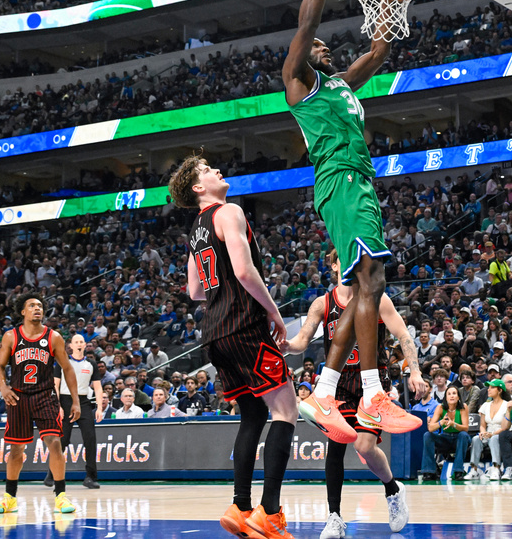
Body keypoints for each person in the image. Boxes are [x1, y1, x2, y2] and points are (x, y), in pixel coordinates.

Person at [283, 0, 419, 444]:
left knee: (362, 287)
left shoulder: (341, 81)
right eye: (316, 46)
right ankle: (370, 393)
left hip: (357, 184)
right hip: (340, 180)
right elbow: (307, 24)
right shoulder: (300, 81)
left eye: (322, 47)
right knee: (372, 278)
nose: (322, 46)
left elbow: (381, 48)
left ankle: (325, 389)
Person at [169, 154, 298, 539]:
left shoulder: (196, 230)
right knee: (286, 410)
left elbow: (194, 290)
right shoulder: (229, 212)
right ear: (197, 187)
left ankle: (241, 507)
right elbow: (243, 271)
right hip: (244, 324)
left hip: (214, 333)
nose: (217, 171)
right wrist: (274, 312)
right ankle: (269, 514)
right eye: (208, 169)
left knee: (253, 415)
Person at [282, 247, 426, 538]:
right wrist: (286, 345)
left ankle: (393, 489)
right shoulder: (322, 304)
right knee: (335, 446)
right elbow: (302, 339)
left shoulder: (377, 298)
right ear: (333, 266)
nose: (348, 264)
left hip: (372, 381)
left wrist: (416, 371)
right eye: (342, 260)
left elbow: (403, 335)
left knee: (363, 447)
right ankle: (334, 517)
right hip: (339, 383)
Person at [0, 293, 80, 515]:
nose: (37, 308)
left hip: (45, 395)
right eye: (31, 305)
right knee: (16, 450)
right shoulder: (11, 336)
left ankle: (61, 496)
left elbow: (68, 369)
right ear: (22, 311)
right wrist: (3, 387)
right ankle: (9, 497)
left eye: (39, 305)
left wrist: (75, 401)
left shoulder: (54, 337)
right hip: (18, 397)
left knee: (54, 442)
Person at [44, 334, 103, 490]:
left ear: (85, 345)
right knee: (62, 441)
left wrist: (100, 408)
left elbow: (97, 387)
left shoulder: (91, 364)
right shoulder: (62, 362)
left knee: (90, 439)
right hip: (64, 401)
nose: (79, 344)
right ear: (70, 345)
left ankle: (90, 477)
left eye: (81, 342)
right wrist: (58, 406)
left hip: (83, 402)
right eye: (76, 342)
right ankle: (52, 474)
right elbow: (55, 385)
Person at [419, 386, 472, 481]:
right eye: (449, 394)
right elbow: (430, 428)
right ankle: (429, 471)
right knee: (427, 435)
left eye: (454, 393)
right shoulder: (440, 407)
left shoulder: (463, 407)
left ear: (458, 397)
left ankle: (458, 471)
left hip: (459, 438)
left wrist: (454, 424)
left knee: (463, 435)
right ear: (446, 398)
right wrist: (441, 422)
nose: (452, 396)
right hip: (445, 438)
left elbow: (465, 428)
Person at [466, 379, 512, 481]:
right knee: (476, 439)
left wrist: (492, 434)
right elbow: (482, 424)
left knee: (494, 439)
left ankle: (496, 469)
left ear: (500, 390)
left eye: (492, 387)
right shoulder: (485, 405)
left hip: (500, 433)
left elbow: (505, 427)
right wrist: (482, 432)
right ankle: (474, 470)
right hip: (487, 433)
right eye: (488, 387)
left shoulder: (506, 405)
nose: (488, 390)